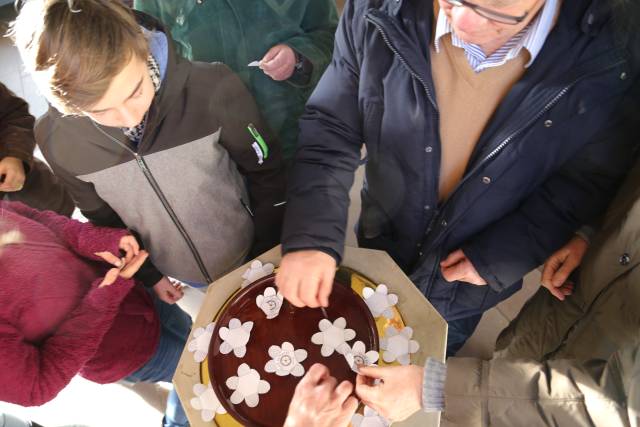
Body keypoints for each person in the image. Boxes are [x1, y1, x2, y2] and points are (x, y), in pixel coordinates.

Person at [276, 0, 640, 354]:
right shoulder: (378, 7)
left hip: (470, 281)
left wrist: (504, 255)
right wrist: (312, 235)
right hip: (383, 232)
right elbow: (331, 125)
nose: (462, 23)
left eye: (495, 10)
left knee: (436, 347)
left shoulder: (611, 54)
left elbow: (584, 181)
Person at [284, 153, 640, 426]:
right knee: (513, 354)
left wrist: (438, 388)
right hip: (571, 297)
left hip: (577, 397)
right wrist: (592, 232)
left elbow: (613, 403)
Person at [11, 0, 286, 300]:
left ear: (141, 48)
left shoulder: (211, 87)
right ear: (67, 105)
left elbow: (266, 169)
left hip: (254, 246)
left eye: (136, 91)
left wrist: (267, 245)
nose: (131, 118)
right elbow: (102, 217)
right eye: (101, 111)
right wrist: (150, 275)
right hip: (182, 271)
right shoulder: (57, 140)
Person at [0, 201, 192, 427]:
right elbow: (35, 386)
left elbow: (48, 223)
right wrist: (104, 297)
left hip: (139, 295)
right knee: (198, 374)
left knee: (194, 338)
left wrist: (106, 241)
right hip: (122, 350)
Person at [133, 0, 338, 159]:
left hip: (292, 141)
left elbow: (333, 37)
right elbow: (148, 59)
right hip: (213, 152)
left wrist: (299, 57)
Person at [0, 82, 74, 216]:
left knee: (62, 219)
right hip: (9, 230)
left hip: (34, 191)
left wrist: (15, 155)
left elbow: (15, 115)